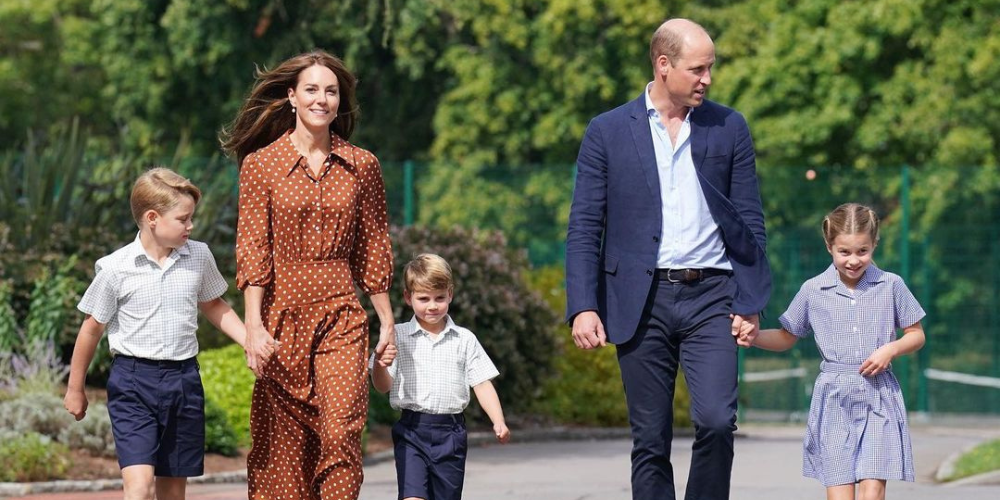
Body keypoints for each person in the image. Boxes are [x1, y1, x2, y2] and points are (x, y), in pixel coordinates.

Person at [564, 18, 772, 500]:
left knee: (718, 423)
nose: (708, 79)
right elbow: (584, 226)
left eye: (710, 68)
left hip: (712, 297)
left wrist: (749, 300)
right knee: (651, 440)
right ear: (663, 65)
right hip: (640, 299)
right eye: (698, 69)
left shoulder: (729, 127)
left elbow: (749, 222)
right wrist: (583, 305)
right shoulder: (607, 131)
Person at [220, 50, 396, 500]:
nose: (322, 99)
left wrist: (387, 322)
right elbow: (254, 248)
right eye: (312, 89)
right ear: (292, 97)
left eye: (331, 91)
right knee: (285, 452)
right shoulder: (261, 165)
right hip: (282, 319)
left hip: (342, 314)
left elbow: (373, 246)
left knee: (340, 431)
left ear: (341, 101)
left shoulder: (363, 165)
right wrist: (253, 327)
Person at [63, 167, 247, 500]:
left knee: (173, 493)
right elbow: (91, 329)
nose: (190, 226)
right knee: (139, 488)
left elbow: (214, 305)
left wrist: (250, 341)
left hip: (184, 381)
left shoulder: (198, 255)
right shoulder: (116, 268)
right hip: (133, 383)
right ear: (152, 218)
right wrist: (76, 388)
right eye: (183, 219)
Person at [750, 203, 925, 500]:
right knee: (840, 493)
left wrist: (890, 349)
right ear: (829, 246)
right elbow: (785, 336)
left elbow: (916, 335)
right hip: (833, 398)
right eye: (844, 252)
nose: (854, 260)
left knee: (873, 490)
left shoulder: (891, 285)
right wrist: (752, 336)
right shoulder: (813, 289)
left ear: (875, 244)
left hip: (878, 396)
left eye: (863, 251)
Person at [370, 253, 511, 500]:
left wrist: (498, 420)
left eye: (439, 298)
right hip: (411, 431)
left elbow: (482, 382)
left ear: (450, 295)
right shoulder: (397, 337)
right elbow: (382, 387)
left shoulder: (464, 339)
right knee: (412, 497)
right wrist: (381, 364)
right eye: (423, 299)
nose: (432, 305)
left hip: (451, 433)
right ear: (407, 297)